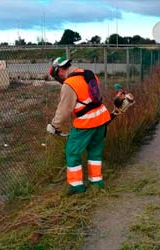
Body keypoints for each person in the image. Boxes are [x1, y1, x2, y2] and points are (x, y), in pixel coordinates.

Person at [46, 56, 111, 195]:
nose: (58, 78)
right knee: (94, 150)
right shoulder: (89, 74)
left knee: (72, 151)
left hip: (86, 122)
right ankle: (96, 182)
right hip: (102, 117)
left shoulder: (69, 84)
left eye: (57, 75)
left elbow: (64, 110)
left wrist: (54, 125)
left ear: (61, 70)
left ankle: (76, 186)